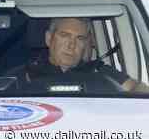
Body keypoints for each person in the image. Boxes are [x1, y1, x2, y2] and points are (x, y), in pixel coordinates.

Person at [8, 17, 149, 92]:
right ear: (48, 38)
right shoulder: (23, 74)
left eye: (79, 38)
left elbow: (134, 88)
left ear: (86, 44)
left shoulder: (98, 71)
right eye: (64, 35)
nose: (71, 45)